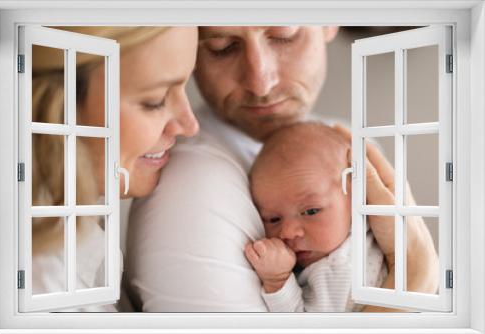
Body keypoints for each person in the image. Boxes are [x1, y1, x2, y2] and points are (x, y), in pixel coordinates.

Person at [126, 26, 438, 312]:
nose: (261, 83)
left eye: (284, 35)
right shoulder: (193, 186)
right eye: (222, 47)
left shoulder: (345, 142)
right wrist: (416, 276)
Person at [31, 27, 199, 311]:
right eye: (155, 101)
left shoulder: (82, 239)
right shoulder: (43, 290)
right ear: (55, 106)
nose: (189, 126)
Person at [245, 122, 387, 312]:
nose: (288, 232)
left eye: (311, 211)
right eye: (273, 219)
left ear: (356, 196)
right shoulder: (366, 232)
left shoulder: (337, 271)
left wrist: (277, 281)